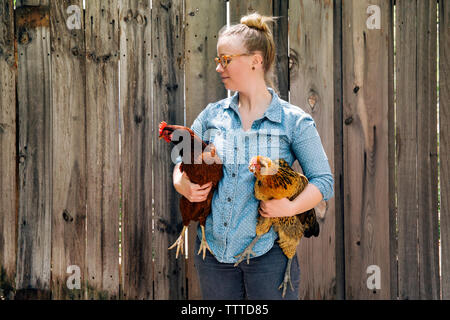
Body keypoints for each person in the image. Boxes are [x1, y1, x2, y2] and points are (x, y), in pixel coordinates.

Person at [172, 12, 334, 300]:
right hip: (212, 256)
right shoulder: (213, 115)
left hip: (268, 257)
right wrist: (180, 184)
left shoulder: (293, 121)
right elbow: (179, 155)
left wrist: (289, 208)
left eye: (227, 59)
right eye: (218, 60)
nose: (220, 67)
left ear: (255, 61)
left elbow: (324, 181)